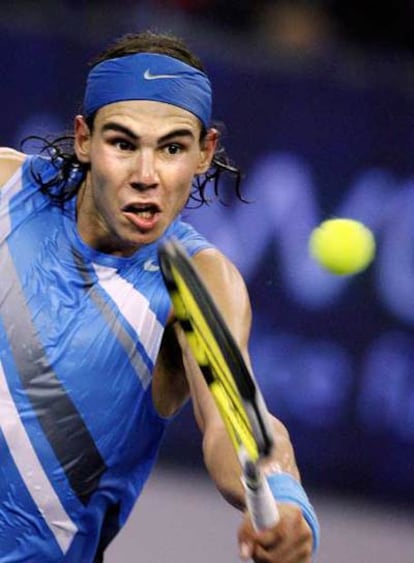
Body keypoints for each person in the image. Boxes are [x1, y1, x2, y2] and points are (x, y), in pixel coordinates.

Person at [0, 31, 319, 562]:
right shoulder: (5, 191)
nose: (146, 176)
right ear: (84, 139)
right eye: (122, 144)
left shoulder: (196, 282)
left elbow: (234, 420)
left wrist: (283, 499)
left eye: (172, 148)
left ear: (204, 152)